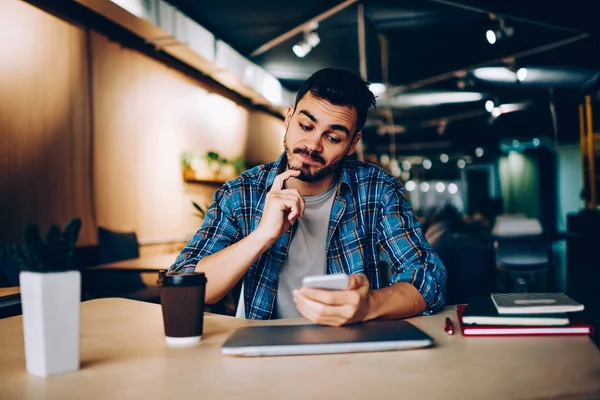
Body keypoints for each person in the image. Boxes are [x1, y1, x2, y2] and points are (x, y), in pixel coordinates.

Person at [169, 68, 446, 326]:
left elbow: (428, 278)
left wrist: (369, 305)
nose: (313, 145)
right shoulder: (241, 193)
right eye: (305, 126)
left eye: (333, 138)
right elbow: (184, 285)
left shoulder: (376, 190)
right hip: (264, 356)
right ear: (288, 119)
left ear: (352, 145)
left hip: (351, 354)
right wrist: (261, 236)